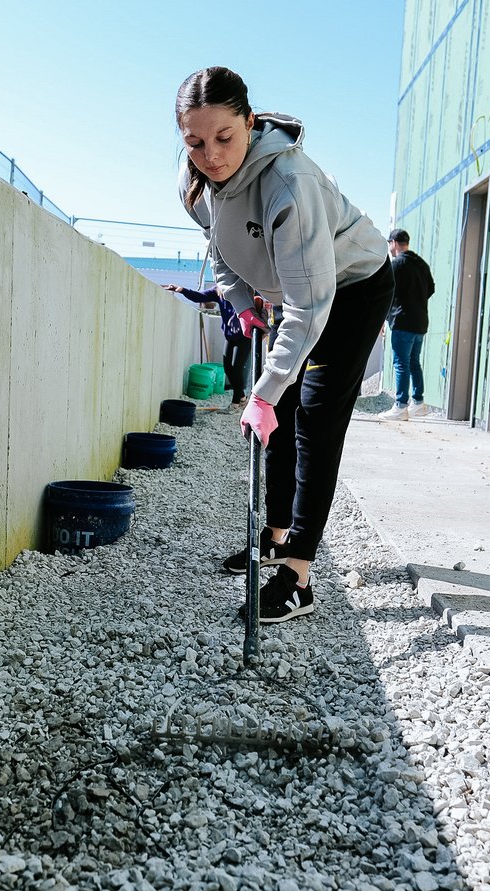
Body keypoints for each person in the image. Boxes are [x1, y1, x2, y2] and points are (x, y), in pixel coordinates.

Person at [174, 66, 395, 624]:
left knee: (312, 416)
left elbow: (310, 307)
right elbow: (221, 252)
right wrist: (242, 301)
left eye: (225, 138)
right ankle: (273, 536)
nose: (212, 156)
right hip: (293, 295)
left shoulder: (287, 184)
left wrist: (266, 390)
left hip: (350, 288)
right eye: (195, 142)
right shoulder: (197, 181)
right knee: (284, 409)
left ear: (250, 122)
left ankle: (298, 575)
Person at [378, 228, 435, 421]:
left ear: (393, 243)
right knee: (413, 362)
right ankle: (418, 403)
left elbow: (387, 292)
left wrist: (383, 319)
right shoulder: (422, 264)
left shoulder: (397, 264)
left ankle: (401, 406)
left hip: (402, 321)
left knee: (401, 363)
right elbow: (431, 289)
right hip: (420, 322)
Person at [163, 284, 250, 405]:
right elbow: (199, 296)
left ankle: (236, 403)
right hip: (230, 336)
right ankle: (242, 397)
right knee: (228, 368)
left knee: (237, 368)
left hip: (245, 337)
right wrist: (182, 290)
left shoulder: (245, 289)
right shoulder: (219, 291)